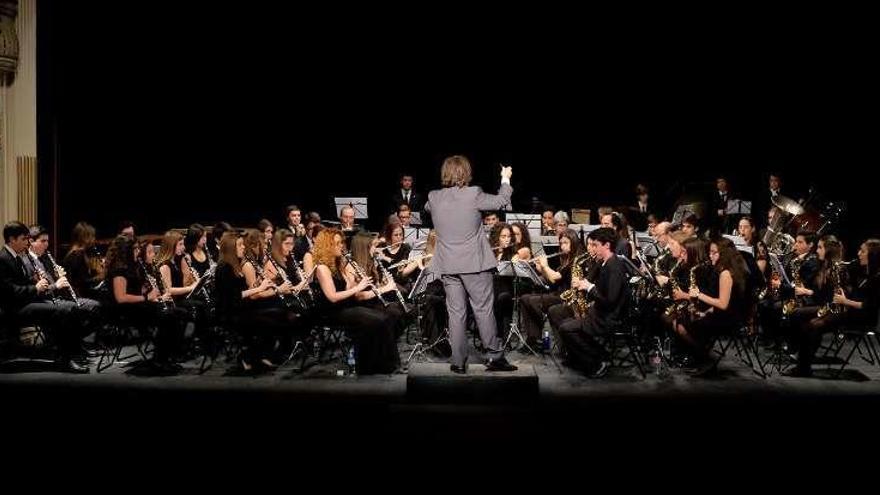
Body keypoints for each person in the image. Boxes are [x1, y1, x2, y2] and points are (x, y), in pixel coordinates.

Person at [424, 155, 517, 373]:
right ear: (466, 173)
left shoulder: (434, 197)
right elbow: (501, 201)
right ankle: (494, 357)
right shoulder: (474, 194)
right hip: (474, 264)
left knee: (456, 313)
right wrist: (505, 178)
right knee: (483, 310)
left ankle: (458, 362)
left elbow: (429, 208)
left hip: (447, 264)